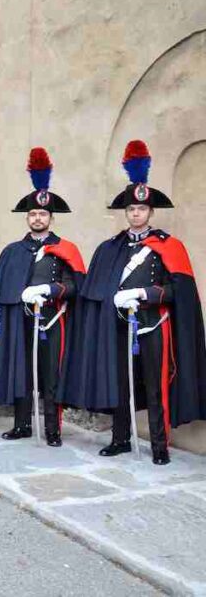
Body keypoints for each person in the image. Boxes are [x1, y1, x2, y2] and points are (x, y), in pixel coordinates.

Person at [60, 141, 206, 465]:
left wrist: (144, 295)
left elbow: (176, 292)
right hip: (119, 327)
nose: (135, 213)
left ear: (150, 212)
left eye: (141, 209)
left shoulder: (168, 246)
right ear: (126, 212)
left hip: (153, 325)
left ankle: (158, 446)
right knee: (120, 383)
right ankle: (120, 439)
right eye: (130, 209)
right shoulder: (112, 247)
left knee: (154, 387)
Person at [0, 148, 84, 447]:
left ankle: (53, 429)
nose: (37, 218)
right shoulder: (13, 251)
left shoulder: (65, 249)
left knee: (51, 376)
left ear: (51, 218)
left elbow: (75, 286)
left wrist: (50, 290)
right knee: (22, 373)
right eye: (33, 214)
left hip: (53, 323)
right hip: (21, 321)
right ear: (27, 218)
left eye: (42, 214)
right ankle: (22, 424)